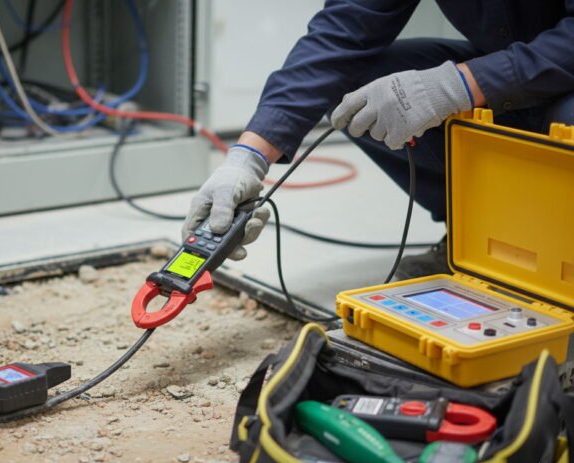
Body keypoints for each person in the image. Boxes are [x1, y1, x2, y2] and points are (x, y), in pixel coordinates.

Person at [182, 0, 574, 279]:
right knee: (356, 91)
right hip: (512, 73)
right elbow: (342, 33)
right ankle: (478, 239)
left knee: (568, 120)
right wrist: (248, 156)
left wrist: (459, 85)